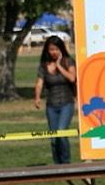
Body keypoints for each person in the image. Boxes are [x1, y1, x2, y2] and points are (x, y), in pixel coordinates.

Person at [33, 35, 77, 164]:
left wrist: (59, 66)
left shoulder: (68, 61)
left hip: (66, 103)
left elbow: (72, 78)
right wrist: (37, 98)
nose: (54, 52)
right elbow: (39, 83)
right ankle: (57, 164)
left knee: (61, 132)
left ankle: (66, 162)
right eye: (51, 49)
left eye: (56, 49)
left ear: (61, 49)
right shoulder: (43, 66)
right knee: (53, 137)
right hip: (51, 105)